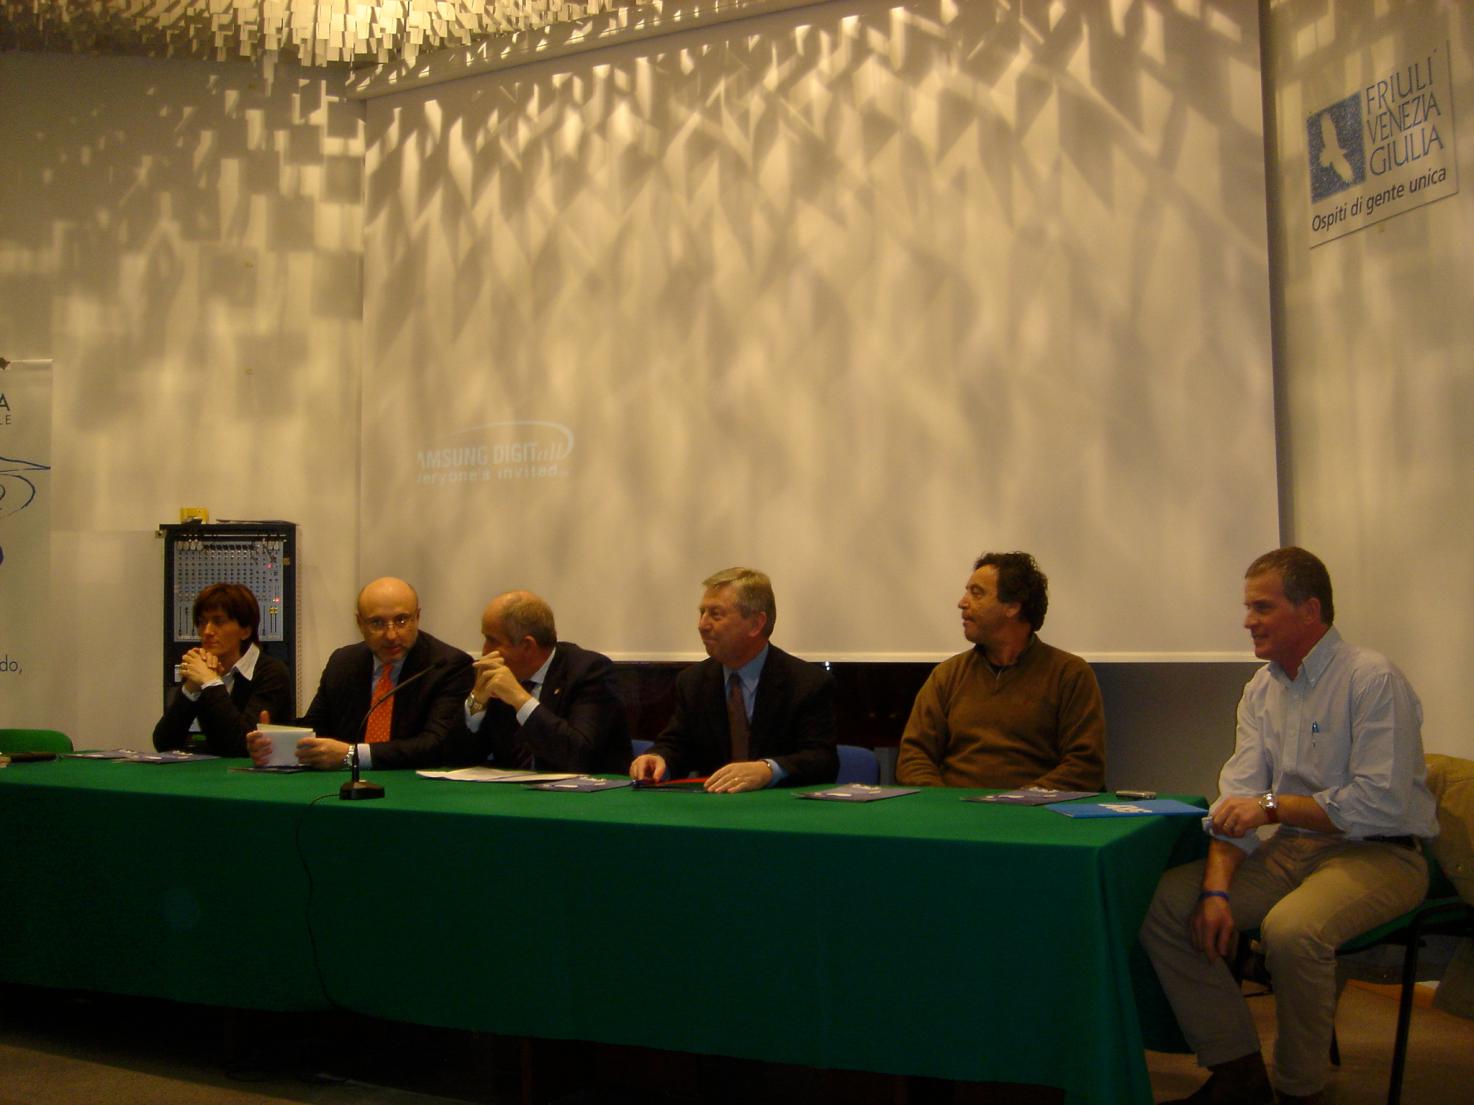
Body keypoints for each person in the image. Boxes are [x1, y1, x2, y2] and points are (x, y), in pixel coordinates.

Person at [1139, 547, 1439, 1105]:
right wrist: (1215, 891)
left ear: (1309, 610)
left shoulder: (1372, 678)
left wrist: (1273, 806)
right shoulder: (1261, 689)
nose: (1247, 621)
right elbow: (1239, 803)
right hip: (1293, 850)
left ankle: (1300, 1090)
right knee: (1167, 906)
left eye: (1262, 607)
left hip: (1381, 853)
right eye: (1248, 607)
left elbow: (1381, 801)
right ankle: (1238, 1070)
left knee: (1291, 931)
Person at [894, 551, 1105, 790]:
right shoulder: (948, 675)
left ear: (1013, 606)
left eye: (976, 593)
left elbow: (1085, 766)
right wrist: (943, 802)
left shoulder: (1069, 674)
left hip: (1035, 810)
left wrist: (1018, 801)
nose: (962, 602)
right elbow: (913, 756)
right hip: (954, 806)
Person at [629, 567, 838, 792]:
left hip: (780, 806)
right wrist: (658, 758)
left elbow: (822, 760)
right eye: (702, 613)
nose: (702, 625)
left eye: (716, 614)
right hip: (713, 806)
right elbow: (677, 744)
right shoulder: (693, 682)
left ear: (756, 624)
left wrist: (768, 770)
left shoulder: (806, 683)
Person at [248, 576, 473, 770]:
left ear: (418, 617)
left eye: (402, 620)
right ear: (360, 623)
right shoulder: (343, 662)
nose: (391, 635)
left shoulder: (447, 665)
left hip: (415, 788)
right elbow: (316, 730)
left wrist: (351, 755)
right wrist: (274, 742)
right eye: (377, 623)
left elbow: (435, 745)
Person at [457, 589, 631, 773]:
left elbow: (580, 755)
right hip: (509, 788)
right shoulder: (497, 674)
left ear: (527, 646)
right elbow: (455, 757)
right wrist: (477, 702)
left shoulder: (589, 671)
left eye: (492, 641)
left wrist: (520, 699)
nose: (485, 651)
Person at [153, 582, 294, 757]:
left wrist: (211, 683)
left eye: (218, 622)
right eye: (202, 622)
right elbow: (164, 743)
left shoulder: (272, 673)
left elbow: (242, 746)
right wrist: (191, 688)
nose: (207, 631)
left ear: (245, 631)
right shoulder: (203, 668)